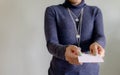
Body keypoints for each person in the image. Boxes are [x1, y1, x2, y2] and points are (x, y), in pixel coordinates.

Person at [44, 0, 106, 75]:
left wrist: (98, 44)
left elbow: (100, 36)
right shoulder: (52, 11)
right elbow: (51, 44)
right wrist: (64, 51)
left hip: (90, 71)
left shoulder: (95, 11)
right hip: (60, 71)